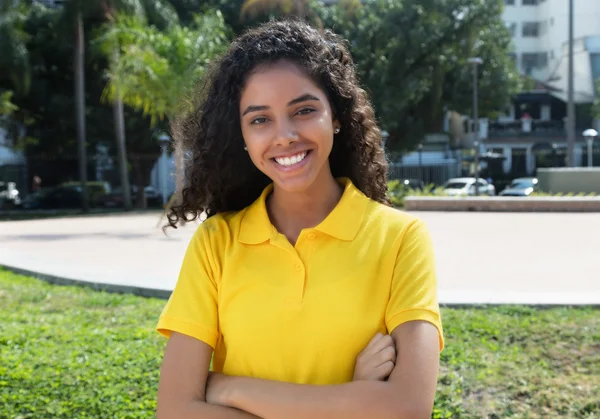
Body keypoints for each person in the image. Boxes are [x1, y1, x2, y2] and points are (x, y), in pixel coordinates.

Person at [156, 19, 444, 418]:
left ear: (336, 116)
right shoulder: (216, 243)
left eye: (304, 110)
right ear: (241, 135)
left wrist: (229, 388)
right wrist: (353, 399)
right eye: (260, 119)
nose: (285, 135)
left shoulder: (400, 239)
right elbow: (175, 411)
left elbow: (408, 409)